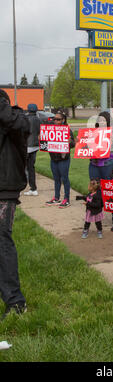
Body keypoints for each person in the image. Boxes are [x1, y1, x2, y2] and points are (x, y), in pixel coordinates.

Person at [0, 89, 30, 318]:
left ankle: (15, 301)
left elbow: (12, 121)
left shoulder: (17, 122)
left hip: (5, 188)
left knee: (2, 242)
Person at [46, 111, 75, 208]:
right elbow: (45, 143)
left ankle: (66, 199)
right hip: (53, 158)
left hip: (63, 159)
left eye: (58, 119)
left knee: (64, 178)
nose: (55, 121)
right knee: (56, 179)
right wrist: (41, 138)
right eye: (54, 119)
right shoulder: (50, 130)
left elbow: (73, 144)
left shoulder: (67, 130)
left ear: (63, 120)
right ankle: (56, 198)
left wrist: (69, 141)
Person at [89, 111, 113, 182]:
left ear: (109, 121)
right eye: (100, 120)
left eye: (104, 120)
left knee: (108, 185)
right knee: (94, 185)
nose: (102, 122)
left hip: (109, 164)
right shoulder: (93, 132)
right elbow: (89, 148)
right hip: (94, 163)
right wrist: (81, 141)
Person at [24, 103, 41, 196]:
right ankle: (33, 188)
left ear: (28, 110)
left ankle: (22, 186)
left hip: (26, 146)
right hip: (35, 146)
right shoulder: (39, 120)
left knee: (23, 168)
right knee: (31, 168)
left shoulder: (25, 119)